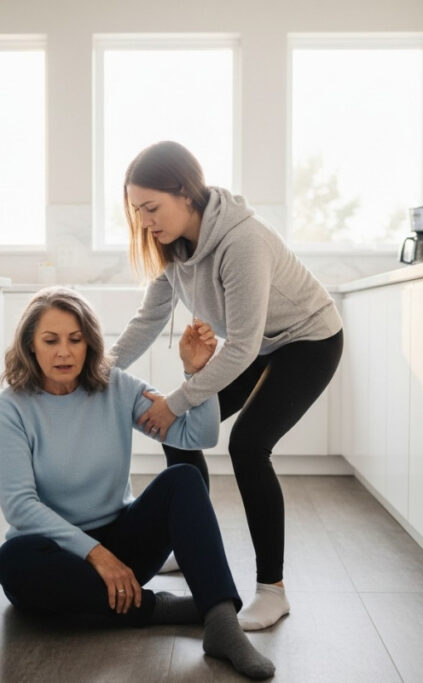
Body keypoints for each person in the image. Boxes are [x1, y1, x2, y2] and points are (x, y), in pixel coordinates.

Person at [111, 141, 344, 631]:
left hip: (309, 340)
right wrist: (102, 367)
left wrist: (175, 402)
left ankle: (271, 590)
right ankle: (185, 543)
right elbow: (148, 320)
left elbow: (239, 346)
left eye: (152, 208)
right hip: (258, 347)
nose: (146, 221)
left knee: (248, 445)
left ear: (186, 194)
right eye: (137, 211)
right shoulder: (173, 250)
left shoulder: (243, 243)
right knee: (179, 430)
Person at [0, 287, 275, 680]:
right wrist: (96, 555)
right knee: (13, 562)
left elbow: (197, 437)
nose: (64, 353)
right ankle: (161, 607)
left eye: (76, 340)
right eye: (50, 341)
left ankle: (221, 622)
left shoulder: (116, 387)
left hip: (125, 548)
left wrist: (198, 374)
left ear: (90, 343)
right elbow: (20, 506)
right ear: (29, 345)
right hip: (57, 551)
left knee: (183, 479)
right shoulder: (8, 409)